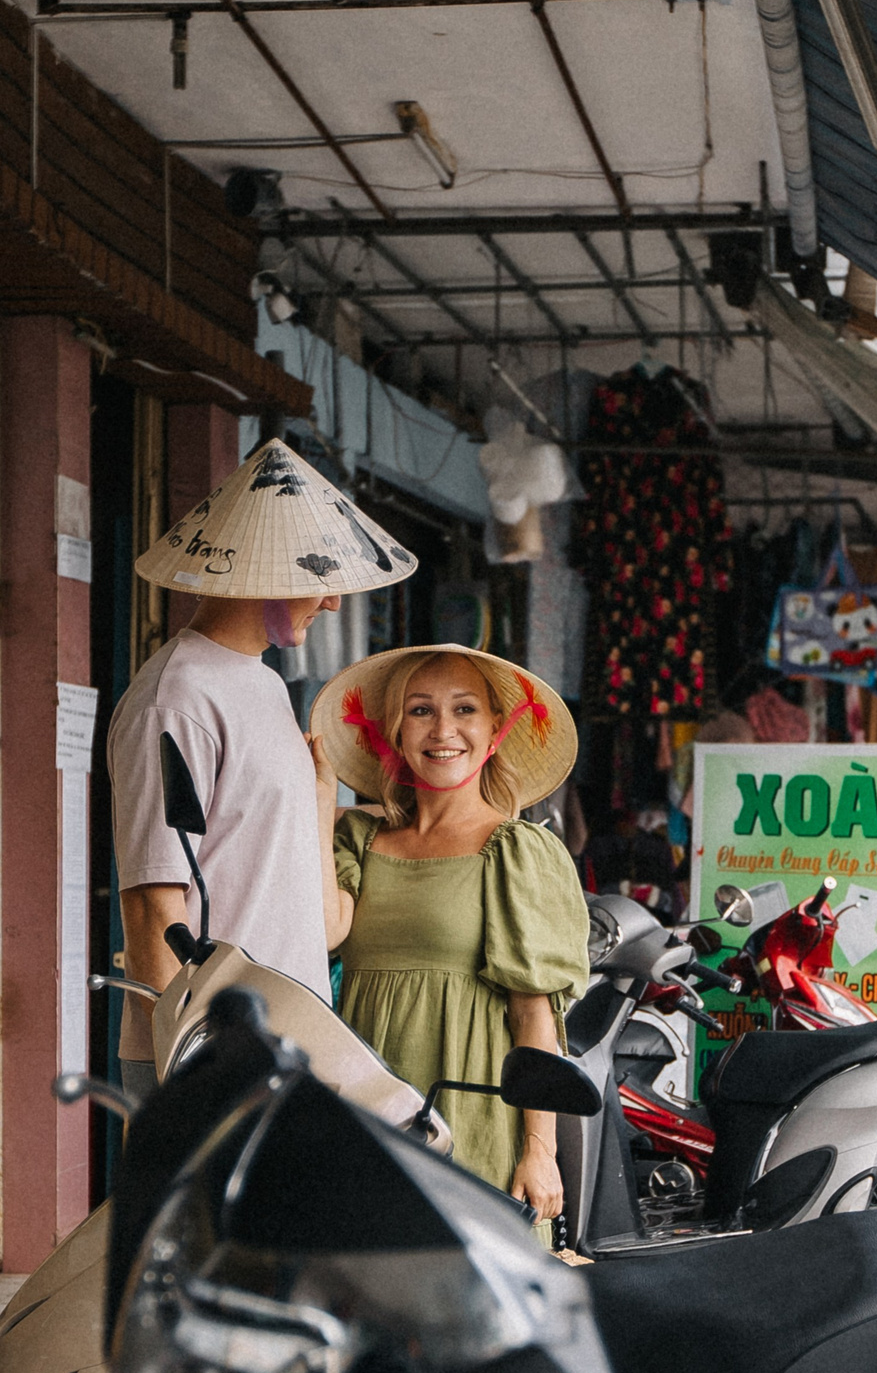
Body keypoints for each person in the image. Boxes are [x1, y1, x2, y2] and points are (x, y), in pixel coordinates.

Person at [109, 438, 419, 1096]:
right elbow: (151, 910)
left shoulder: (268, 686)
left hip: (283, 1045)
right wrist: (190, 1072)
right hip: (211, 1057)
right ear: (261, 570)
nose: (333, 602)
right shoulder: (177, 697)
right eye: (318, 578)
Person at [311, 644, 588, 1223]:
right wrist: (320, 802)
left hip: (474, 1117)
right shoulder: (359, 840)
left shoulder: (515, 851)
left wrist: (541, 1150)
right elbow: (328, 930)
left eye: (464, 709)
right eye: (420, 710)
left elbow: (535, 1017)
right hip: (369, 1114)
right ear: (394, 732)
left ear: (496, 729)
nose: (443, 730)